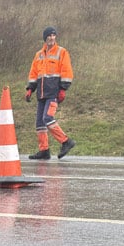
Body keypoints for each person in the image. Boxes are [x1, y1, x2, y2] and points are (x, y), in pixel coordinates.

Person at [23, 26, 76, 160]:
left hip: (53, 92)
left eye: (53, 35)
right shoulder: (38, 55)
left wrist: (63, 89)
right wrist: (30, 88)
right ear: (45, 38)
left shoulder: (61, 52)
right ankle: (44, 151)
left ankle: (66, 141)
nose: (52, 38)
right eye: (49, 36)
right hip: (41, 93)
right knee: (40, 123)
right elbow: (34, 74)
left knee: (47, 118)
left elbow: (67, 71)